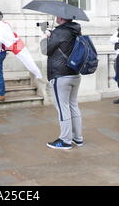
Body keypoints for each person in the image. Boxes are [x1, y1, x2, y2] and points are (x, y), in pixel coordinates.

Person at [40, 17, 82, 150]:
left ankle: (65, 140)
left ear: (62, 18)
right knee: (73, 105)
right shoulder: (75, 30)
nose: (56, 18)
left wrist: (44, 37)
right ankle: (77, 138)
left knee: (63, 108)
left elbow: (45, 50)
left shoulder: (60, 32)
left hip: (60, 75)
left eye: (58, 16)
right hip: (75, 73)